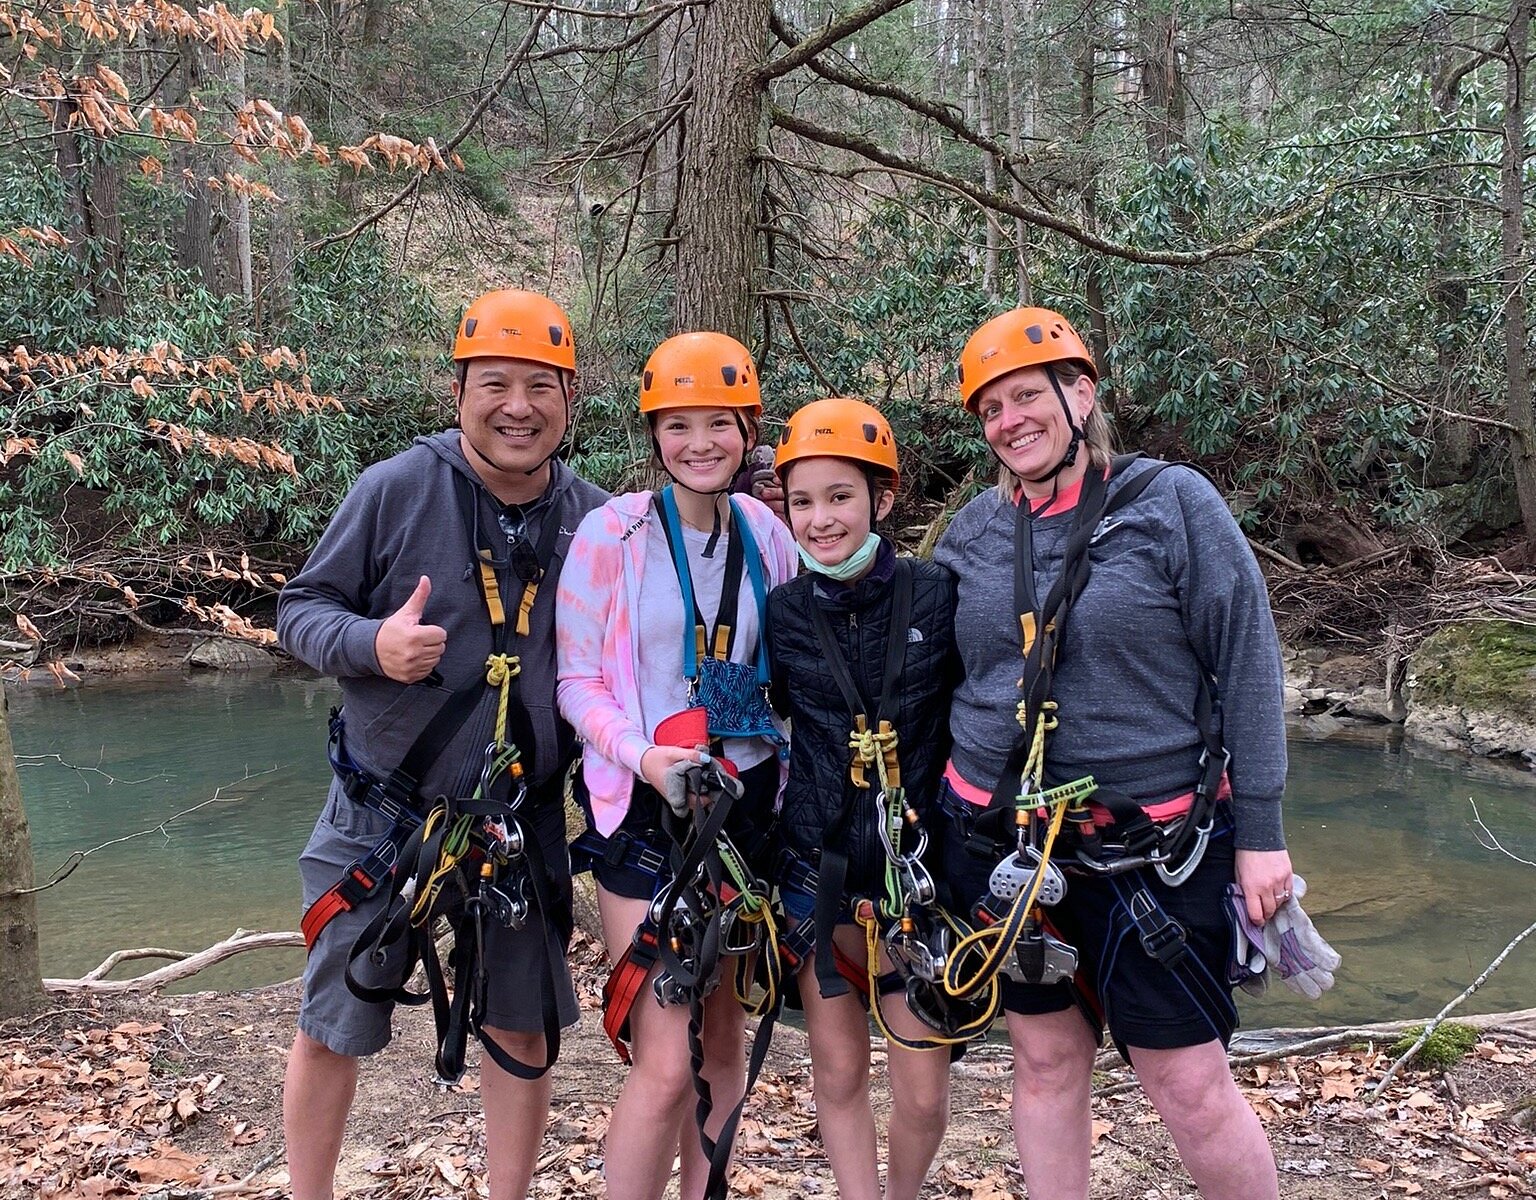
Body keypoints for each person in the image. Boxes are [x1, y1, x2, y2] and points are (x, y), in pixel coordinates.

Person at [933, 306, 1295, 1200]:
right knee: (1046, 1063)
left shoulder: (1170, 502)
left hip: (1151, 853)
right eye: (991, 409)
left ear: (1081, 394)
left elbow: (1247, 659)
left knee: (1187, 1082)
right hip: (1005, 851)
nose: (1009, 421)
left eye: (1027, 397)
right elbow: (934, 668)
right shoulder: (977, 529)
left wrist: (1263, 830)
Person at [277, 289, 608, 1200]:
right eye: (493, 383)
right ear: (457, 391)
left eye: (541, 387)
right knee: (334, 1017)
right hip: (383, 815)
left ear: (569, 401)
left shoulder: (597, 518)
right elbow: (300, 611)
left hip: (521, 822)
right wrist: (372, 645)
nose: (517, 406)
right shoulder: (394, 490)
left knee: (522, 1022)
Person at [555, 331, 797, 1200]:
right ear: (654, 434)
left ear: (747, 430)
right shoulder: (612, 532)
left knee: (726, 1041)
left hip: (747, 811)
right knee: (662, 1058)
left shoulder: (766, 531)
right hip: (650, 816)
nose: (700, 443)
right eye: (679, 424)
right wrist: (644, 755)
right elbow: (576, 683)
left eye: (719, 424)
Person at [764, 398, 966, 1200]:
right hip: (819, 868)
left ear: (883, 499)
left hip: (918, 878)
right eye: (803, 501)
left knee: (921, 1088)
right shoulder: (781, 612)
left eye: (840, 496)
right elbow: (756, 716)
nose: (820, 520)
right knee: (838, 1069)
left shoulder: (937, 595)